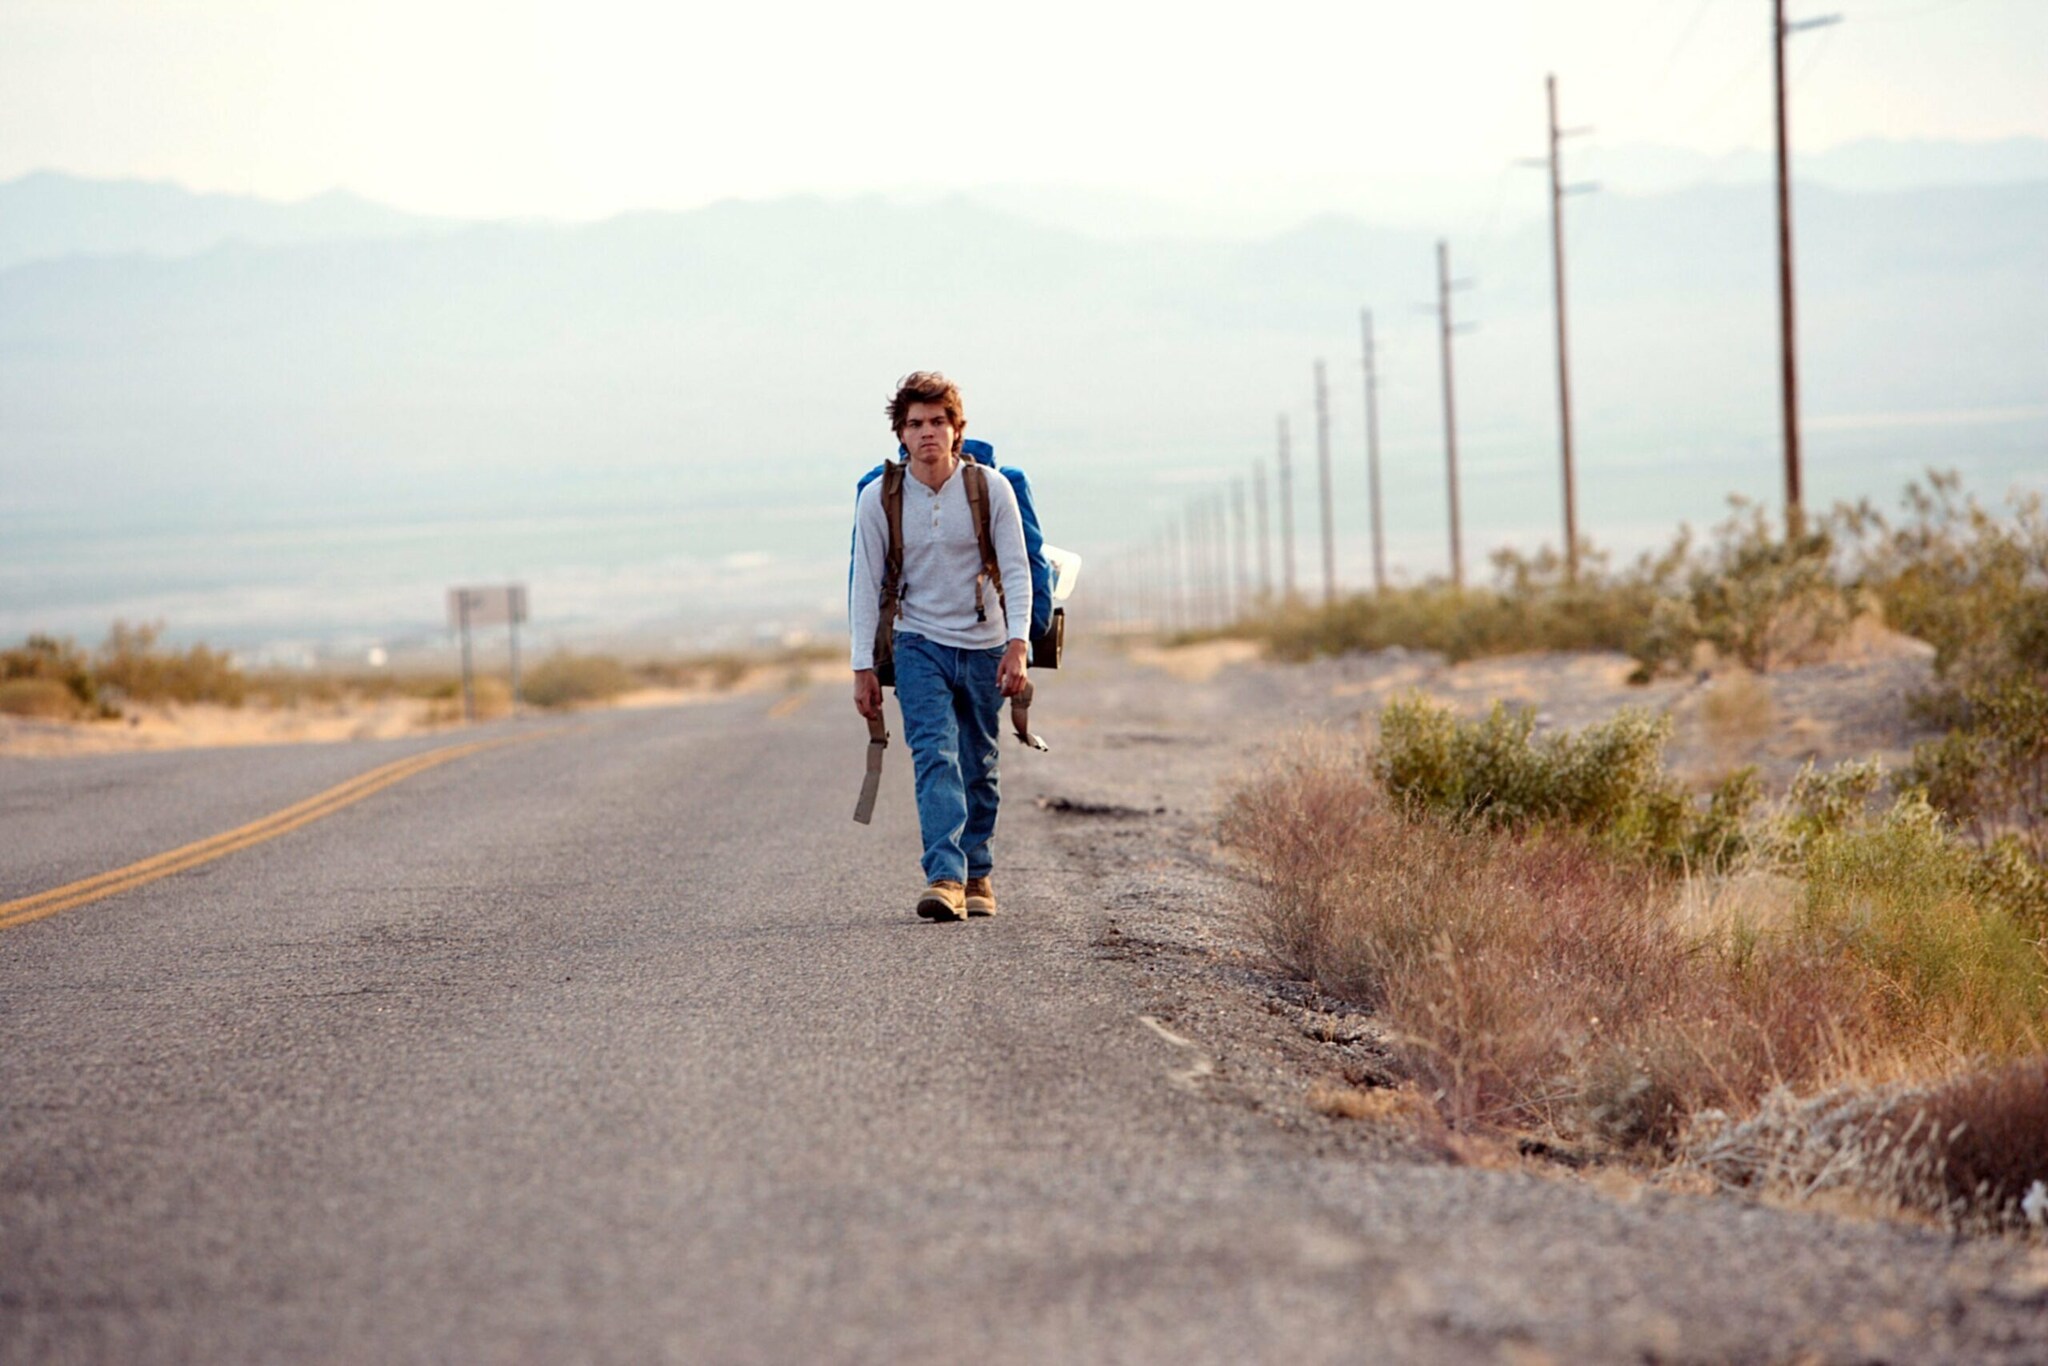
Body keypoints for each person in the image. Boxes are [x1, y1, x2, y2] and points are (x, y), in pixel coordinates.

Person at [851, 372, 1032, 921]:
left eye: (938, 422)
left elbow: (1018, 571)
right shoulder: (878, 499)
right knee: (934, 755)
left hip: (983, 644)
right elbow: (865, 584)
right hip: (917, 642)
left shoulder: (990, 489)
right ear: (900, 435)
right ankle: (946, 877)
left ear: (957, 430)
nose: (927, 432)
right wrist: (863, 665)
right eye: (915, 424)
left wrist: (1018, 644)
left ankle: (979, 873)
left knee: (979, 761)